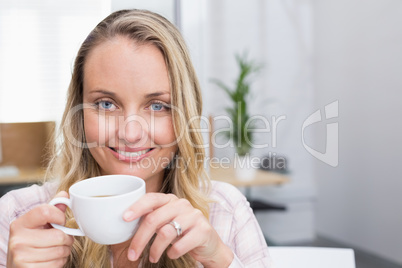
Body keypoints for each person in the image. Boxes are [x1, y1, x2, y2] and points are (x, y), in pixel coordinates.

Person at [0, 9, 272, 267]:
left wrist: (220, 259)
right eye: (106, 104)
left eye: (157, 106)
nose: (130, 134)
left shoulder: (226, 213)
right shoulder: (17, 216)